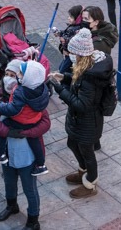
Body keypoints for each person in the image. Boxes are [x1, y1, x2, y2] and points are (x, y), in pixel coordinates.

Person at [47, 28, 114, 199]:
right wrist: (64, 77)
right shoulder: (86, 67)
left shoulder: (91, 77)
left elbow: (82, 104)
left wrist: (60, 89)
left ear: (80, 54)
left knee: (87, 152)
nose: (69, 55)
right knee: (72, 143)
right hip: (79, 120)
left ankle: (90, 183)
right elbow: (78, 81)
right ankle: (83, 171)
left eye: (72, 53)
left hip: (88, 121)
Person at [0, 75, 50, 230]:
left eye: (13, 74)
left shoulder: (32, 96)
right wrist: (8, 132)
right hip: (6, 152)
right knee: (9, 182)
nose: (9, 78)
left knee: (29, 188)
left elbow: (46, 122)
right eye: (7, 73)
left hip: (27, 155)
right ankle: (11, 206)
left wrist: (27, 132)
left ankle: (33, 221)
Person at [0, 60, 50, 177]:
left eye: (21, 73)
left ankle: (0, 154)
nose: (18, 75)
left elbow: (13, 109)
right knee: (34, 141)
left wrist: (1, 106)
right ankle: (41, 165)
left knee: (3, 124)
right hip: (34, 120)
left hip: (21, 121)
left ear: (28, 77)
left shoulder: (21, 91)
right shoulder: (41, 87)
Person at [56, 6, 85, 74]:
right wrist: (60, 33)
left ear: (78, 19)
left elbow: (72, 41)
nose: (68, 18)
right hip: (67, 53)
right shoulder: (73, 26)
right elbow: (66, 33)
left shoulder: (77, 29)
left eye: (71, 17)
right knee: (61, 68)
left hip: (71, 55)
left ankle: (65, 79)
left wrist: (64, 40)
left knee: (63, 71)